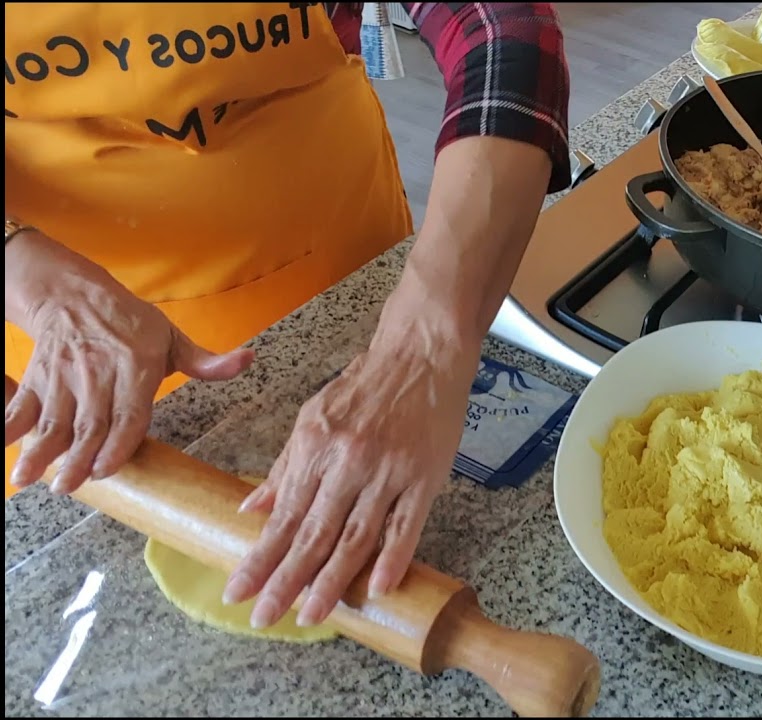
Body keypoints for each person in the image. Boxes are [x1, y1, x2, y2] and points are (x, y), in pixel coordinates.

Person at [3, 3, 570, 630]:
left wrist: (425, 348)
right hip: (68, 337)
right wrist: (31, 276)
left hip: (352, 277)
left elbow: (505, 26)